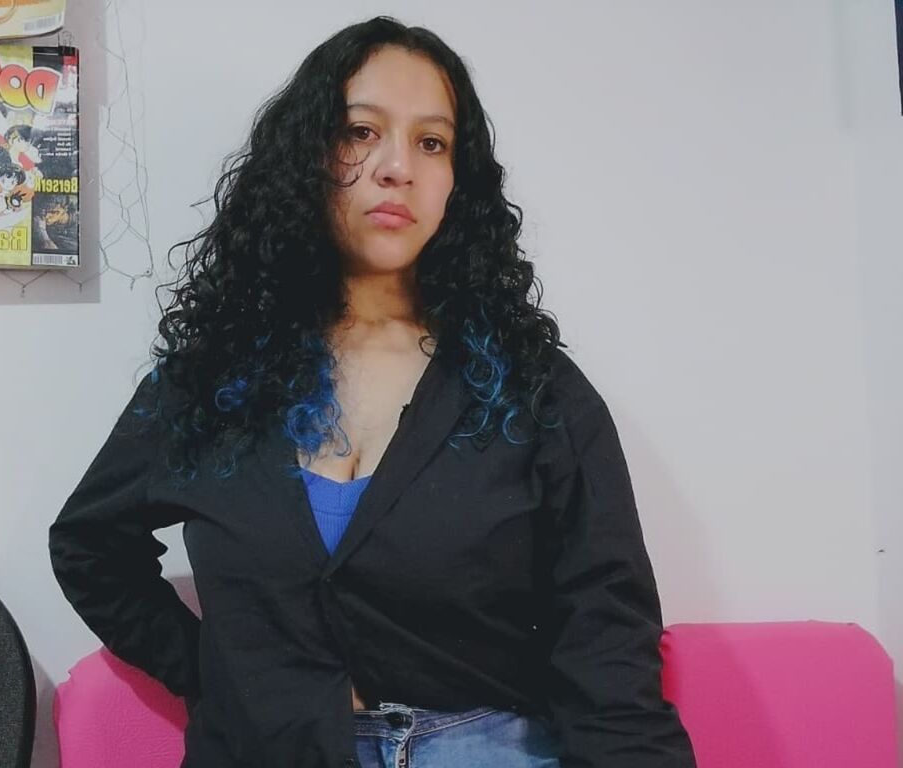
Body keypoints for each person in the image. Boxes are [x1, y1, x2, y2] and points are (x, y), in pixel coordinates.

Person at [48, 16, 697, 768]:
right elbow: (91, 546)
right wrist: (218, 673)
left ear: (458, 181)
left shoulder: (531, 387)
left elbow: (606, 628)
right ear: (308, 155)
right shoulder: (214, 378)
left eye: (432, 143)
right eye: (361, 132)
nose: (398, 168)